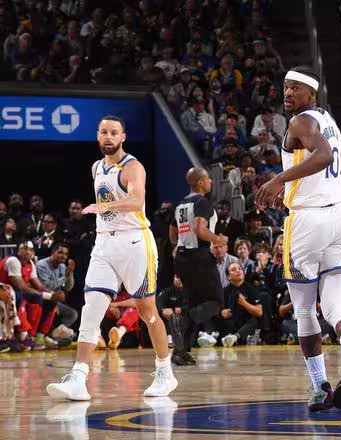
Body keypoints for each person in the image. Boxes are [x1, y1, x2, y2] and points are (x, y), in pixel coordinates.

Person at [47, 115, 177, 401]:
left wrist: (102, 206)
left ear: (123, 137)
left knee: (147, 311)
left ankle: (164, 372)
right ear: (97, 135)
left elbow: (136, 201)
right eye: (104, 131)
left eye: (114, 132)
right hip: (105, 242)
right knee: (92, 307)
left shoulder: (132, 167)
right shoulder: (96, 167)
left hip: (135, 242)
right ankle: (78, 378)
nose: (108, 137)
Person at [256, 66, 341, 411]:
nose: (288, 93)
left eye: (295, 88)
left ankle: (320, 387)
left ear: (311, 94)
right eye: (285, 87)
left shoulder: (300, 121)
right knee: (334, 304)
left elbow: (326, 156)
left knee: (303, 308)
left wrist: (279, 180)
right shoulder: (329, 120)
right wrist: (299, 185)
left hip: (308, 222)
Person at [169, 167, 228, 360]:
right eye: (208, 179)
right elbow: (200, 229)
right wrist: (218, 239)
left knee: (192, 303)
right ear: (201, 182)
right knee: (216, 302)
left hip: (182, 258)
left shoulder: (179, 205)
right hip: (199, 257)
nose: (211, 181)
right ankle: (181, 322)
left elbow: (172, 234)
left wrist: (180, 245)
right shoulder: (202, 202)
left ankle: (181, 352)